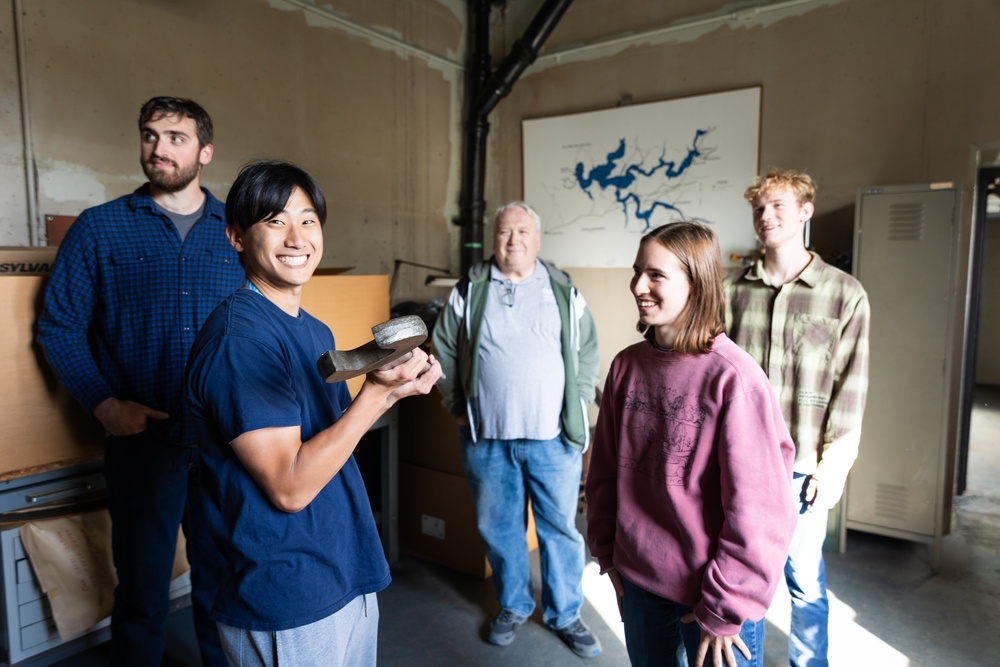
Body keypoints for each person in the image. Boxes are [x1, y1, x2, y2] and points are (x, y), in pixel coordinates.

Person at [185, 159, 441, 666]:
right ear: (237, 237)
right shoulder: (241, 341)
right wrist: (374, 396)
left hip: (339, 565)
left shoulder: (315, 331)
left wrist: (387, 391)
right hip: (283, 586)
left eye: (308, 219)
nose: (297, 236)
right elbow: (290, 485)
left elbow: (330, 445)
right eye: (274, 221)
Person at [37, 96, 241, 666]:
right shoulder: (99, 229)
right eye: (150, 135)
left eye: (175, 137)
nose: (158, 148)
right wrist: (103, 406)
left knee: (223, 577)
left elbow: (260, 325)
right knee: (144, 586)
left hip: (225, 439)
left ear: (204, 151)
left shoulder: (237, 234)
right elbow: (59, 327)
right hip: (141, 440)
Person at [586, 221, 797, 667]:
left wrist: (726, 607)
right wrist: (607, 553)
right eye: (636, 271)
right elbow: (604, 472)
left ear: (696, 284)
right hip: (639, 583)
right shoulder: (626, 367)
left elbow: (760, 511)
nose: (638, 285)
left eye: (656, 275)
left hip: (711, 595)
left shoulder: (733, 378)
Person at [431, 200, 602, 659]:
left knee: (559, 531)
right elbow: (443, 346)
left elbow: (587, 348)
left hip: (553, 439)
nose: (514, 241)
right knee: (500, 528)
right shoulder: (471, 287)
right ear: (493, 239)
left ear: (537, 239)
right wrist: (454, 402)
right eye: (505, 233)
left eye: (523, 232)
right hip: (488, 438)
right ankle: (512, 605)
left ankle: (565, 613)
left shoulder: (563, 288)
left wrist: (580, 397)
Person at [725, 169, 871, 667]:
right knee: (742, 582)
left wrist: (831, 470)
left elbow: (850, 391)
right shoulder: (731, 291)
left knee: (805, 587)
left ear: (805, 211)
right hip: (738, 466)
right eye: (759, 209)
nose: (766, 217)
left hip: (801, 471)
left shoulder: (844, 295)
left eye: (778, 206)